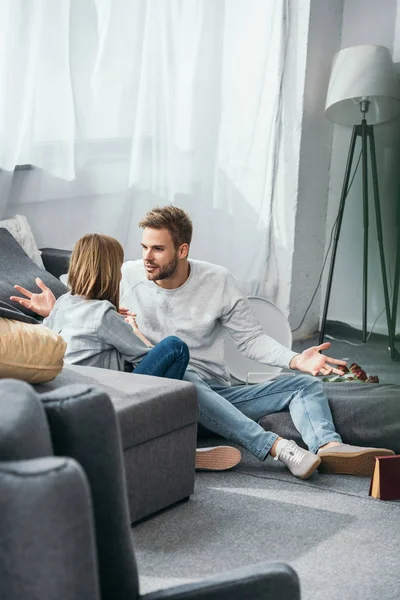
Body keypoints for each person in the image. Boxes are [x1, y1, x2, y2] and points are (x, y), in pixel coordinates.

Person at [12, 211, 394, 479]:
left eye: (157, 249)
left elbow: (252, 340)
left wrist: (296, 359)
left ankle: (328, 447)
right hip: (167, 389)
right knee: (184, 373)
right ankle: (272, 448)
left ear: (182, 250)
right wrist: (55, 305)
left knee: (306, 385)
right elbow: (79, 282)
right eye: (143, 247)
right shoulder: (127, 273)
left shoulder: (218, 281)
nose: (145, 257)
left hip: (219, 390)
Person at [10, 232, 241, 472]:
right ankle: (165, 441)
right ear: (110, 271)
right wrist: (134, 330)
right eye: (118, 267)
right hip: (110, 403)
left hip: (71, 398)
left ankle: (166, 445)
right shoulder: (103, 315)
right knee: (175, 348)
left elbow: (48, 339)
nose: (121, 273)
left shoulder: (63, 304)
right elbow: (146, 359)